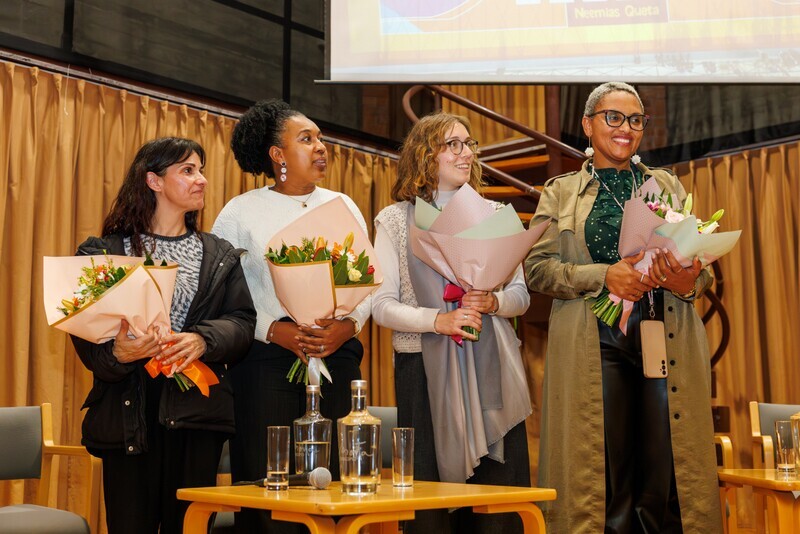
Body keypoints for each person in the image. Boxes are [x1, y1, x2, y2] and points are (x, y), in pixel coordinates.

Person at [524, 82, 722, 533]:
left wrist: (688, 280)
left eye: (635, 120)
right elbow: (537, 270)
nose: (625, 128)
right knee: (606, 472)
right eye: (613, 117)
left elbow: (699, 270)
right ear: (587, 125)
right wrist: (602, 276)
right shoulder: (561, 192)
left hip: (663, 334)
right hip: (596, 340)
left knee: (664, 466)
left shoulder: (665, 184)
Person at [70, 137, 257, 534]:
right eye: (187, 170)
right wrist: (119, 353)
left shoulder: (220, 254)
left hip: (197, 414)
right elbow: (86, 336)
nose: (201, 180)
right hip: (129, 411)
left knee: (188, 527)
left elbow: (242, 322)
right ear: (153, 181)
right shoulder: (104, 251)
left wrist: (202, 340)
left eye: (201, 170)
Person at [212, 99, 370, 533]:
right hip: (265, 361)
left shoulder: (343, 204)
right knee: (269, 485)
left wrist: (348, 326)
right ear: (277, 154)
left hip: (336, 355)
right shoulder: (240, 211)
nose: (321, 147)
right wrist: (272, 329)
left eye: (320, 138)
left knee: (334, 483)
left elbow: (368, 280)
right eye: (307, 139)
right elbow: (222, 291)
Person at [372, 112, 532, 534]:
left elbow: (521, 298)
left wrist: (493, 301)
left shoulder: (495, 213)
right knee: (431, 504)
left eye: (469, 144)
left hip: (491, 368)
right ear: (425, 154)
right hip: (422, 372)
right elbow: (381, 306)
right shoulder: (395, 220)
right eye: (453, 144)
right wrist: (438, 321)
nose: (466, 153)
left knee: (497, 504)